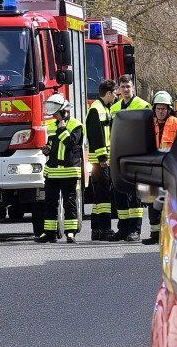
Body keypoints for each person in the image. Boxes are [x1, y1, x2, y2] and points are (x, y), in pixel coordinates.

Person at [108, 74, 152, 242]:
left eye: (128, 87)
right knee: (119, 193)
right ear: (118, 89)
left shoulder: (143, 105)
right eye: (122, 87)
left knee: (134, 194)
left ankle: (135, 230)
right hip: (118, 155)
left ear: (133, 88)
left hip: (136, 155)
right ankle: (123, 228)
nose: (125, 90)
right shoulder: (115, 108)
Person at [37, 93, 83, 244]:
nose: (54, 116)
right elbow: (51, 144)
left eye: (56, 113)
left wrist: (63, 130)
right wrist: (47, 149)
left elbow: (72, 145)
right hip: (53, 172)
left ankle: (71, 233)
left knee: (70, 202)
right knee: (50, 202)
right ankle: (49, 233)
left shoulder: (76, 125)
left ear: (64, 111)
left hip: (69, 171)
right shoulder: (52, 125)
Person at [142, 90, 177, 245]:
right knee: (152, 201)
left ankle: (172, 234)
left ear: (169, 109)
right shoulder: (149, 124)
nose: (160, 111)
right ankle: (154, 234)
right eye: (158, 108)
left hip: (170, 170)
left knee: (170, 203)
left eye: (163, 108)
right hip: (153, 169)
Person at [86, 80, 117, 241]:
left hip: (101, 160)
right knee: (103, 196)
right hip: (100, 161)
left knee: (99, 197)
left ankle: (96, 230)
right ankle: (104, 229)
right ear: (109, 93)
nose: (116, 96)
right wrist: (103, 157)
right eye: (115, 93)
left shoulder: (104, 108)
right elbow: (96, 136)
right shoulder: (96, 109)